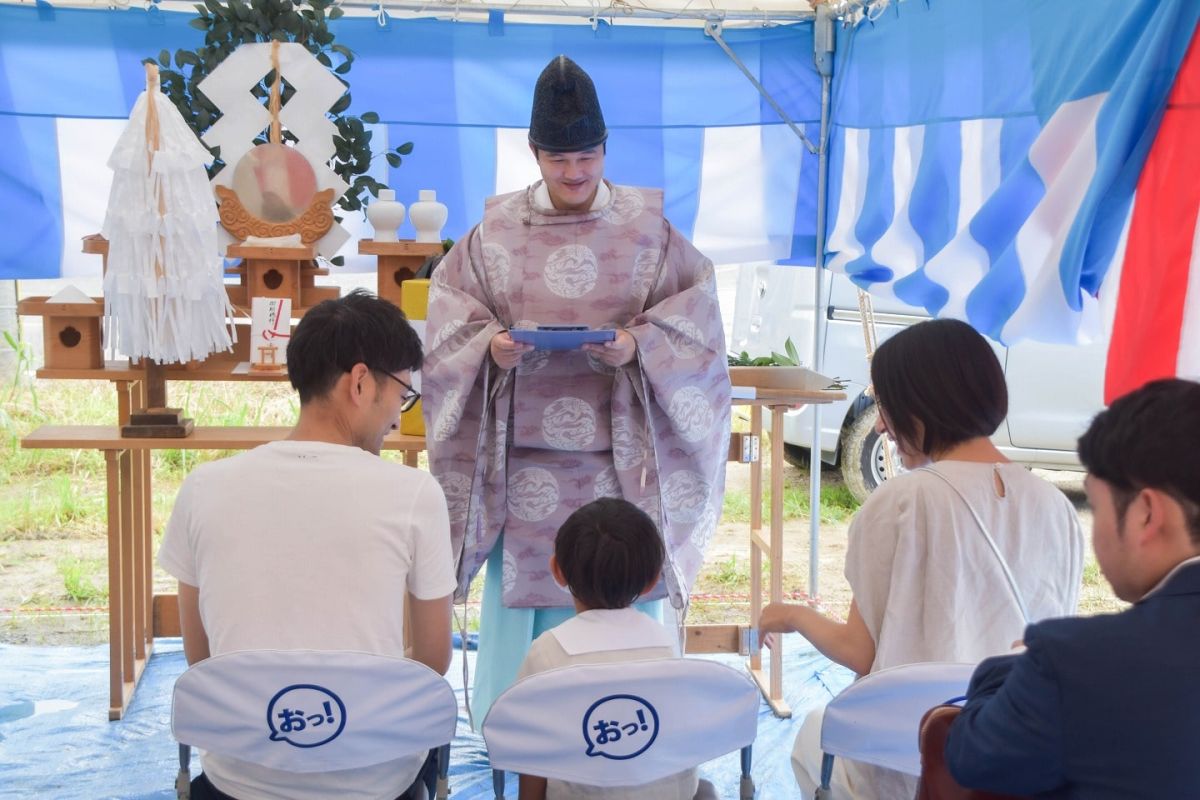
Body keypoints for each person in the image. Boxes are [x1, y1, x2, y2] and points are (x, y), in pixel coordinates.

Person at [421, 54, 730, 724]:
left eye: (587, 157)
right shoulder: (493, 231)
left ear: (605, 149)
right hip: (522, 462)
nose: (575, 173)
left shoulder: (649, 228)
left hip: (619, 458)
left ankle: (633, 722)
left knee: (619, 582)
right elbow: (449, 315)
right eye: (559, 160)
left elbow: (698, 317)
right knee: (527, 602)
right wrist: (489, 346)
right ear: (534, 153)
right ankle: (516, 728)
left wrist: (638, 345)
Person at [757, 318, 1084, 799]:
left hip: (906, 759)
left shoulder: (899, 502)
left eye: (885, 406)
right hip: (1017, 757)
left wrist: (790, 614)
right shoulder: (1056, 506)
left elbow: (860, 653)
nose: (883, 425)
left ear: (922, 403)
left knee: (812, 738)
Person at [158, 289, 456, 800]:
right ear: (360, 383)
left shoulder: (203, 487)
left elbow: (200, 656)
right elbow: (431, 661)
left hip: (240, 777)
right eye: (402, 394)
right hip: (375, 778)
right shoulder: (414, 494)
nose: (396, 416)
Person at [944, 378, 1200, 798]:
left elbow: (971, 758)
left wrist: (1015, 664)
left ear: (1146, 515)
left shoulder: (1075, 660)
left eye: (1095, 507)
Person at [516, 497, 713, 800]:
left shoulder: (546, 651)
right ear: (652, 581)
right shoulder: (665, 644)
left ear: (557, 571)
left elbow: (531, 750)